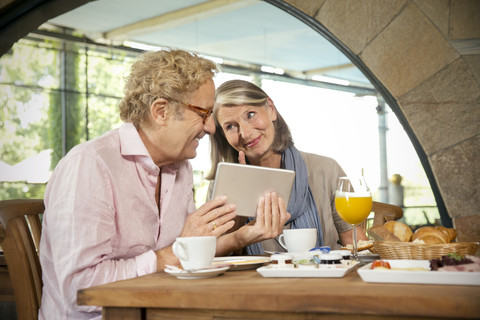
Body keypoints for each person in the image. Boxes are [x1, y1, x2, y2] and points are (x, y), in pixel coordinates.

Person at [39, 50, 288, 320]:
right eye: (203, 113)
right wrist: (175, 252)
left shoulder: (180, 168)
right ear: (161, 111)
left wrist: (238, 238)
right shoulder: (89, 165)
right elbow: (81, 292)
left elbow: (185, 251)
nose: (211, 128)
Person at [207, 79, 369, 254]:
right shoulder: (222, 188)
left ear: (271, 109)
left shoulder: (326, 170)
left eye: (250, 115)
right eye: (230, 126)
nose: (245, 133)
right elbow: (214, 257)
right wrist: (238, 210)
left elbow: (357, 246)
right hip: (254, 281)